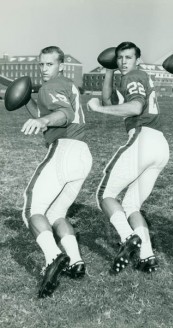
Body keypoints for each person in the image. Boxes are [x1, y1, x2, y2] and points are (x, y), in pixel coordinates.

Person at [87, 41, 169, 274]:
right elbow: (108, 99)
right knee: (132, 205)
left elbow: (133, 108)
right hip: (160, 145)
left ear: (137, 60)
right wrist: (109, 70)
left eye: (128, 57)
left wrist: (98, 110)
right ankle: (148, 256)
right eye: (120, 58)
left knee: (104, 194)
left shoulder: (133, 76)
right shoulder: (132, 75)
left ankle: (128, 237)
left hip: (142, 138)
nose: (124, 62)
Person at [21, 46, 92, 297]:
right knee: (57, 213)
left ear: (61, 65)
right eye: (41, 65)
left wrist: (42, 121)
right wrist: (30, 105)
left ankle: (53, 257)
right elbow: (51, 111)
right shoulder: (65, 84)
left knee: (31, 210)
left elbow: (63, 114)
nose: (43, 69)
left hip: (63, 149)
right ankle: (75, 261)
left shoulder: (51, 86)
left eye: (49, 64)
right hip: (83, 154)